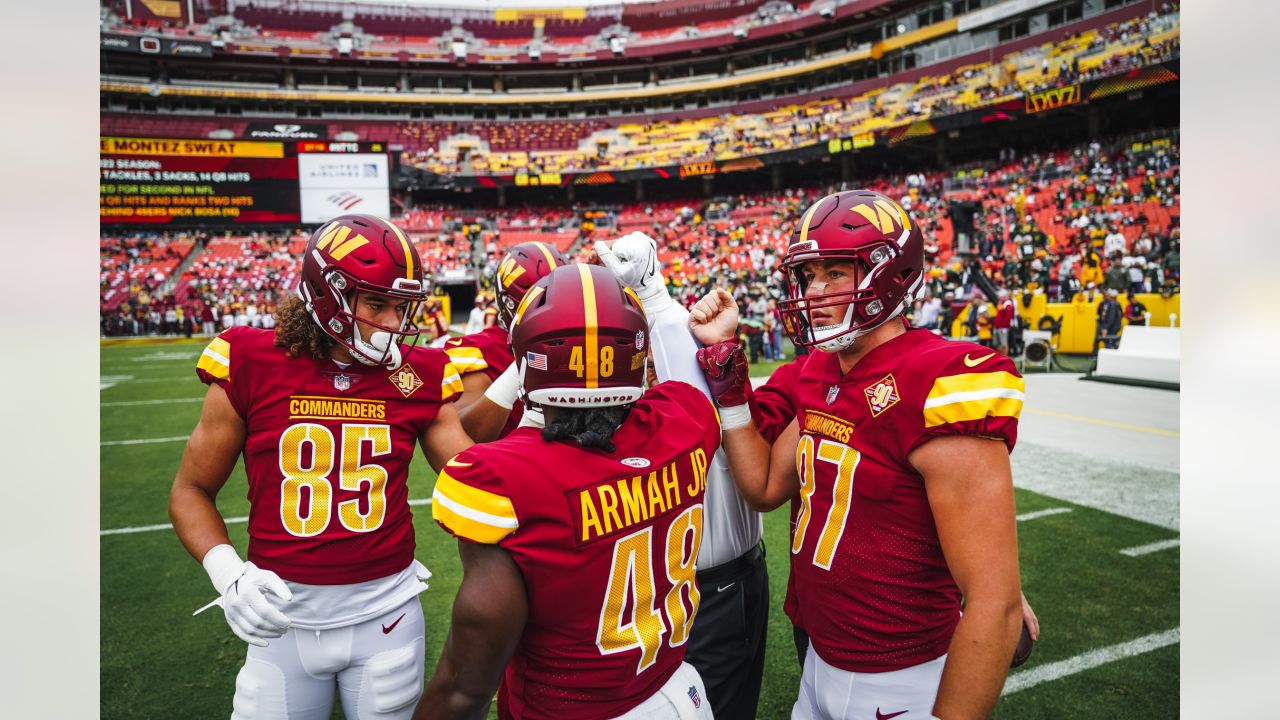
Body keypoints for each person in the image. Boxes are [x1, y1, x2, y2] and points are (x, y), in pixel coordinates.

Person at [689, 189, 1027, 719]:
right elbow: (762, 489)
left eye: (834, 274)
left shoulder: (940, 381)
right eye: (808, 277)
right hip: (819, 660)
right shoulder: (816, 372)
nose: (815, 292)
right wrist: (729, 379)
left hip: (902, 676)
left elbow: (996, 602)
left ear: (888, 275)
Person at [169, 214, 474, 720]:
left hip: (387, 616)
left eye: (402, 307)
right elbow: (191, 489)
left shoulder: (416, 375)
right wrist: (228, 575)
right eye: (378, 303)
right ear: (328, 294)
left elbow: (470, 477)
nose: (394, 323)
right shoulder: (251, 361)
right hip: (280, 616)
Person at [417, 264, 719, 720]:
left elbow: (464, 687)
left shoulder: (505, 477)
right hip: (680, 690)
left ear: (526, 362)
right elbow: (675, 388)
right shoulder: (686, 417)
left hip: (572, 709)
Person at [594, 232, 771, 719]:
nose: (649, 370)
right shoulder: (626, 417)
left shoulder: (689, 408)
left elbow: (686, 381)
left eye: (652, 358)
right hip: (671, 596)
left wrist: (655, 299)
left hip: (716, 588)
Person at [444, 241, 567, 443]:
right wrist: (520, 367)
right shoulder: (483, 352)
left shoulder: (589, 339)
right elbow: (465, 438)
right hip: (513, 469)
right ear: (510, 303)